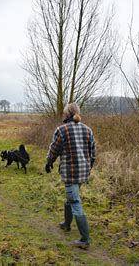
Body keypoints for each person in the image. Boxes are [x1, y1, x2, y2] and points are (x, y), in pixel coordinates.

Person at [45, 102, 96, 249]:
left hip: (70, 173)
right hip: (83, 172)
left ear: (66, 114)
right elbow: (93, 153)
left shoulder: (62, 130)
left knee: (74, 201)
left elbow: (54, 150)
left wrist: (49, 163)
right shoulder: (87, 130)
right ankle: (66, 224)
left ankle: (84, 239)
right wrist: (88, 168)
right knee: (71, 198)